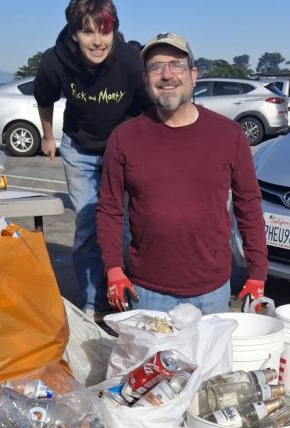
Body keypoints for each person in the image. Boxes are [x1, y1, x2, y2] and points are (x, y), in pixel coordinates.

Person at [96, 33, 268, 315]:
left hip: (212, 292)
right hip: (147, 292)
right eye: (155, 67)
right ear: (145, 79)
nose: (166, 75)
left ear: (193, 74)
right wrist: (114, 269)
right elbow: (109, 210)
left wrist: (257, 273)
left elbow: (248, 206)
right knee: (152, 361)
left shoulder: (229, 136)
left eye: (176, 64)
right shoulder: (124, 138)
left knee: (209, 361)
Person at [33, 0, 151, 317]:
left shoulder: (129, 61)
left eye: (105, 30)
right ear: (74, 33)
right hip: (79, 148)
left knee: (125, 225)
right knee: (88, 224)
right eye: (88, 31)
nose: (98, 41)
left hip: (122, 151)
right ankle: (93, 301)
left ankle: (128, 298)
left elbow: (150, 111)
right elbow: (44, 99)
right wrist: (46, 136)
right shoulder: (55, 61)